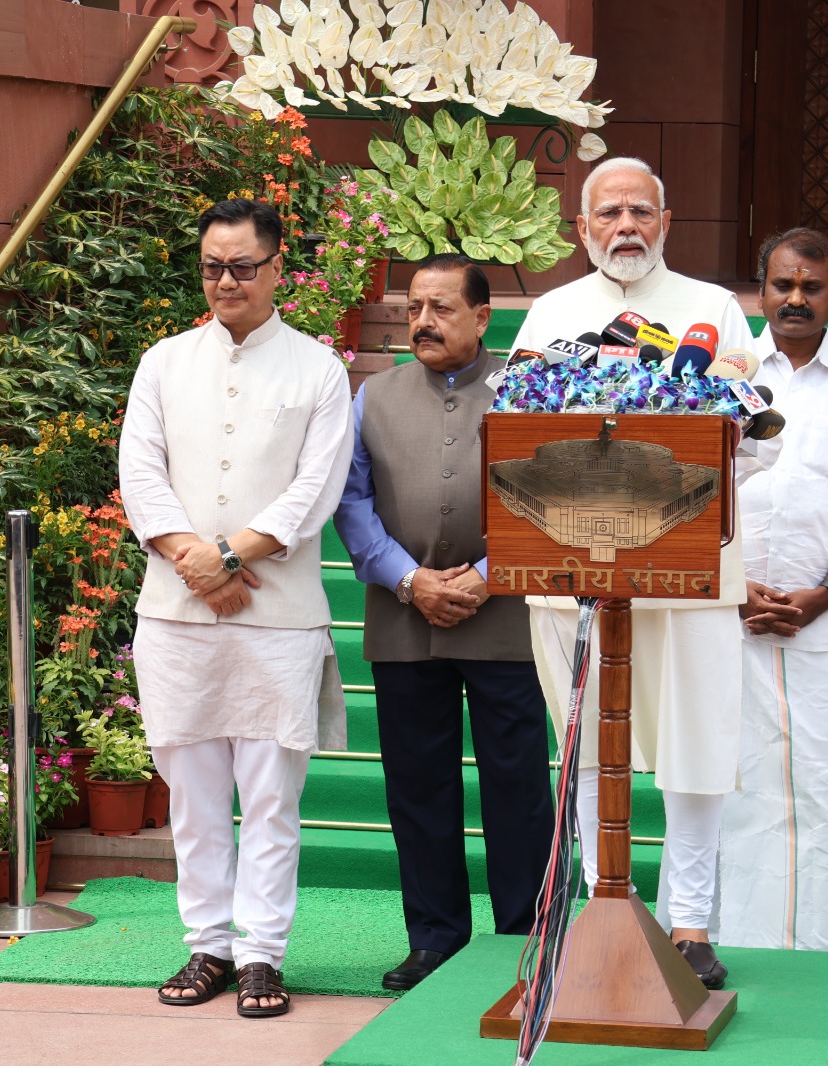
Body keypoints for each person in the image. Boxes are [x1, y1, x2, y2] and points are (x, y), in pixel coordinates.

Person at [510, 157, 754, 990]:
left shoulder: (713, 312)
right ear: (582, 230)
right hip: (573, 565)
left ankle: (690, 926)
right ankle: (601, 907)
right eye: (608, 212)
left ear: (666, 221)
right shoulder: (551, 312)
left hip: (688, 564)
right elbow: (513, 433)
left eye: (640, 212)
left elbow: (759, 440)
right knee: (585, 746)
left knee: (696, 744)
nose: (626, 226)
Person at [119, 198, 352, 1019]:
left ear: (278, 268)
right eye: (213, 266)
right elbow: (140, 474)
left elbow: (314, 491)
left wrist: (229, 556)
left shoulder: (319, 369)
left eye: (243, 267)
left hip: (278, 615)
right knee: (192, 794)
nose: (226, 281)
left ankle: (261, 955)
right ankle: (207, 946)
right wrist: (194, 560)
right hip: (176, 614)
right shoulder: (165, 363)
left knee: (270, 798)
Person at [334, 253, 554, 991]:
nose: (422, 322)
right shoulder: (374, 395)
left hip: (510, 618)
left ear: (483, 317)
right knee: (418, 786)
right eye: (414, 308)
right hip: (406, 619)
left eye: (442, 308)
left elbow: (551, 496)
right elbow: (352, 501)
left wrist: (490, 577)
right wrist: (409, 579)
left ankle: (525, 938)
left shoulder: (529, 390)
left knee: (516, 788)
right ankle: (434, 939)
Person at [718, 228, 828, 954]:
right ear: (760, 291)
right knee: (728, 779)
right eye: (783, 285)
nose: (795, 299)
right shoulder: (722, 379)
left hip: (823, 621)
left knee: (827, 781)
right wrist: (730, 587)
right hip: (726, 616)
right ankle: (715, 940)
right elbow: (692, 490)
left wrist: (824, 592)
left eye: (810, 287)